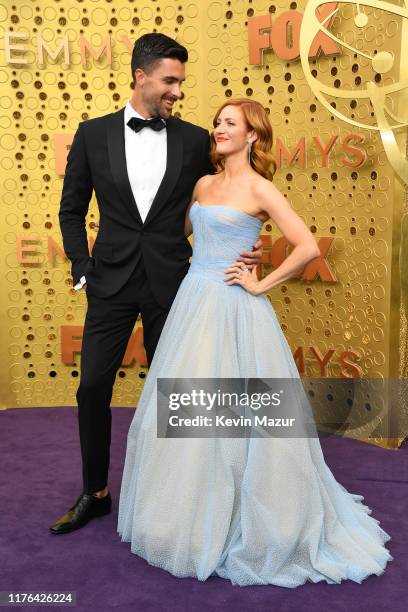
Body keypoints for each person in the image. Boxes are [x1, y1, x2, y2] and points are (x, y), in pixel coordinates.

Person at [117, 98, 393, 587]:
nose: (219, 129)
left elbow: (306, 246)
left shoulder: (262, 189)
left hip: (236, 310)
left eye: (230, 124)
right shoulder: (203, 184)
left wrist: (261, 282)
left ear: (252, 136)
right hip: (193, 302)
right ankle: (185, 519)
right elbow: (182, 233)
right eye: (217, 122)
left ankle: (243, 518)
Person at [50, 34, 263, 535]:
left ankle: (186, 499)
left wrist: (244, 244)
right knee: (93, 388)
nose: (178, 92)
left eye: (181, 83)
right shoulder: (92, 133)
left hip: (176, 283)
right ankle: (95, 493)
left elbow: (231, 190)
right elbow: (71, 208)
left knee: (179, 393)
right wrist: (82, 264)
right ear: (140, 76)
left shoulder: (194, 140)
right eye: (170, 81)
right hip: (111, 282)